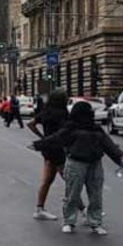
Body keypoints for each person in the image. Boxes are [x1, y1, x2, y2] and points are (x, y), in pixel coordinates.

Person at [33, 101, 123, 236]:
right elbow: (55, 139)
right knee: (72, 194)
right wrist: (38, 145)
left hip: (94, 163)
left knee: (95, 195)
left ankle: (95, 223)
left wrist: (121, 158)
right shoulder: (71, 128)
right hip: (75, 162)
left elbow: (110, 146)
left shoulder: (96, 129)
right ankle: (69, 222)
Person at [28, 91, 70, 221]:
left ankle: (39, 209)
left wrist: (42, 137)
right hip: (58, 149)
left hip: (48, 149)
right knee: (70, 180)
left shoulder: (46, 112)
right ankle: (84, 210)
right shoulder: (62, 114)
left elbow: (30, 123)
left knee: (47, 181)